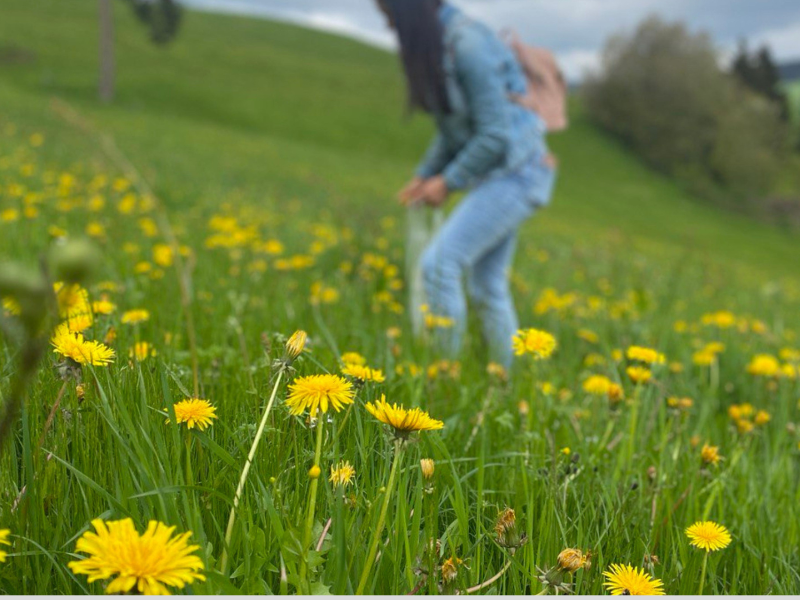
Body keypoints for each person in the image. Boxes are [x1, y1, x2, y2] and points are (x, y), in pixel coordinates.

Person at [377, 0, 557, 368]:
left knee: (440, 264)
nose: (390, 28)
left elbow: (494, 135)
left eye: (391, 17)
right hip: (510, 172)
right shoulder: (445, 43)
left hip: (518, 173)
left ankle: (444, 375)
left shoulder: (467, 45)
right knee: (487, 285)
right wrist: (426, 175)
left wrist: (448, 182)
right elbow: (455, 130)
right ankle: (508, 379)